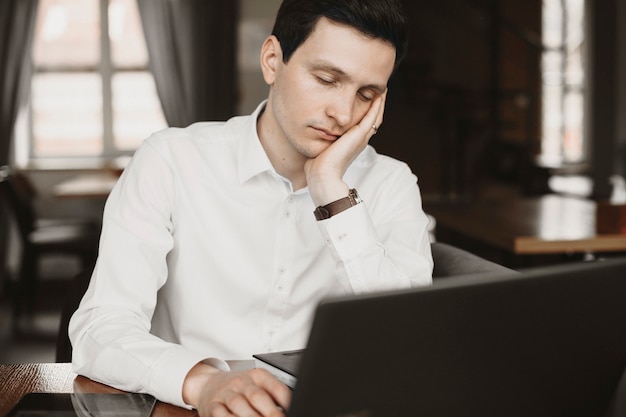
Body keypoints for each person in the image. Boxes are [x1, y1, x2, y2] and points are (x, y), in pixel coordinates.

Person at [69, 0, 433, 415]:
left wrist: (332, 192)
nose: (344, 113)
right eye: (327, 79)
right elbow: (100, 327)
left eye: (367, 95)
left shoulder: (391, 183)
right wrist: (203, 383)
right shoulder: (170, 160)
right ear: (272, 60)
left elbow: (409, 341)